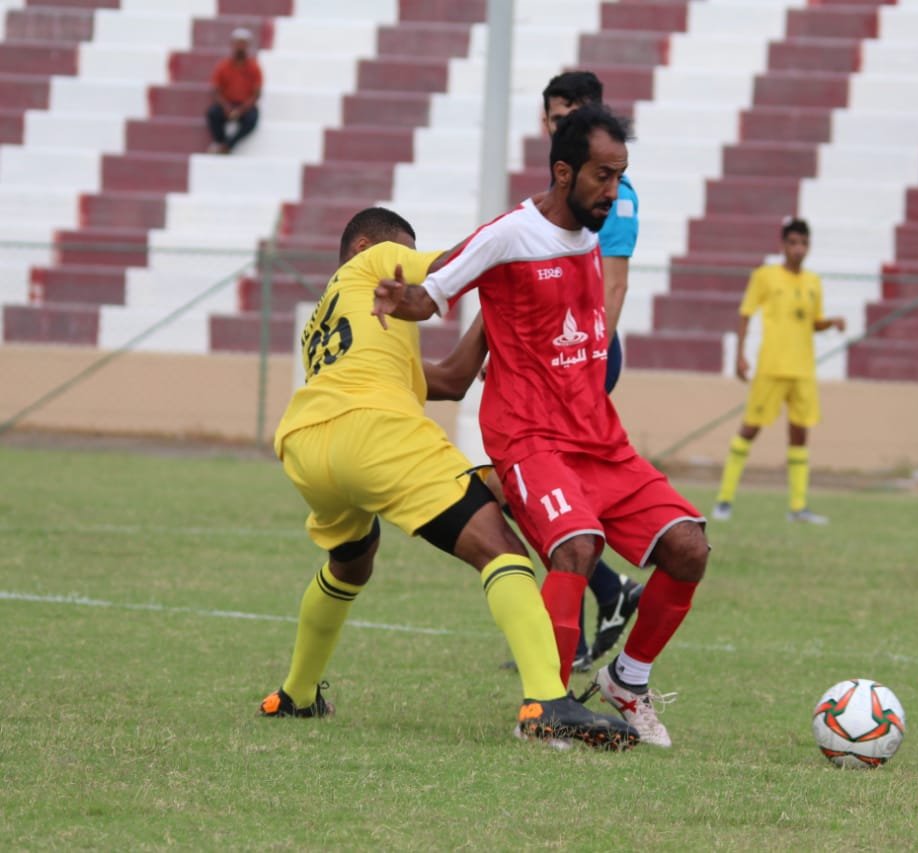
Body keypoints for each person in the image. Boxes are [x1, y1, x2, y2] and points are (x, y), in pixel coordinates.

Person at [373, 105, 709, 748]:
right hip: (528, 438)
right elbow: (432, 292)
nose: (614, 190)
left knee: (689, 548)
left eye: (620, 175)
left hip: (600, 438)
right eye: (603, 176)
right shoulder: (509, 235)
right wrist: (398, 298)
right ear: (563, 172)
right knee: (576, 547)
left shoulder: (592, 235)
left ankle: (627, 682)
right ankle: (546, 707)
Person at [258, 206, 638, 752]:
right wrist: (523, 258)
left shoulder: (333, 321)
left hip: (305, 446)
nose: (405, 265)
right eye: (402, 252)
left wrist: (495, 316)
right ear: (364, 247)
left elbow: (454, 380)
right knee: (501, 551)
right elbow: (455, 265)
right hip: (372, 432)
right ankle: (545, 703)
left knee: (351, 560)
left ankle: (295, 694)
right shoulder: (371, 263)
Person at [539, 70, 643, 670]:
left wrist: (585, 362)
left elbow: (615, 283)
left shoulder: (613, 194)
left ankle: (583, 618)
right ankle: (599, 601)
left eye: (573, 117)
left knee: (535, 489)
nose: (563, 127)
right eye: (556, 118)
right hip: (552, 355)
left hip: (583, 356)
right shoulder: (557, 191)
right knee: (540, 492)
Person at [712, 218, 846, 524]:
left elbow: (813, 322)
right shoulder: (765, 276)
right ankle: (724, 499)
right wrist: (740, 355)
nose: (798, 249)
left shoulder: (813, 282)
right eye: (793, 243)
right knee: (750, 429)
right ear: (783, 245)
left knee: (800, 434)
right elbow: (746, 314)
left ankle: (798, 507)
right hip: (772, 367)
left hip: (803, 370)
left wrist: (831, 322)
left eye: (804, 244)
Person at [206, 27, 261, 154]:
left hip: (245, 106)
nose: (240, 47)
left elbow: (256, 94)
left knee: (252, 119)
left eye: (243, 44)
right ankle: (221, 142)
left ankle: (228, 145)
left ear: (248, 46)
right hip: (226, 104)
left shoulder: (254, 67)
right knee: (213, 113)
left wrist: (241, 110)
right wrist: (226, 108)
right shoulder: (223, 66)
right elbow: (216, 90)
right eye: (238, 43)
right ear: (232, 45)